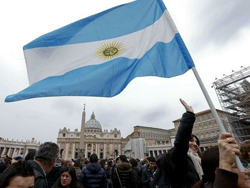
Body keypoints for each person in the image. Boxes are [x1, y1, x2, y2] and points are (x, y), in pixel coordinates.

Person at [160, 99, 202, 188]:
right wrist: (189, 114)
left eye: (196, 142)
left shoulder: (200, 160)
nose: (195, 144)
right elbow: (181, 143)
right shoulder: (179, 158)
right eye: (191, 141)